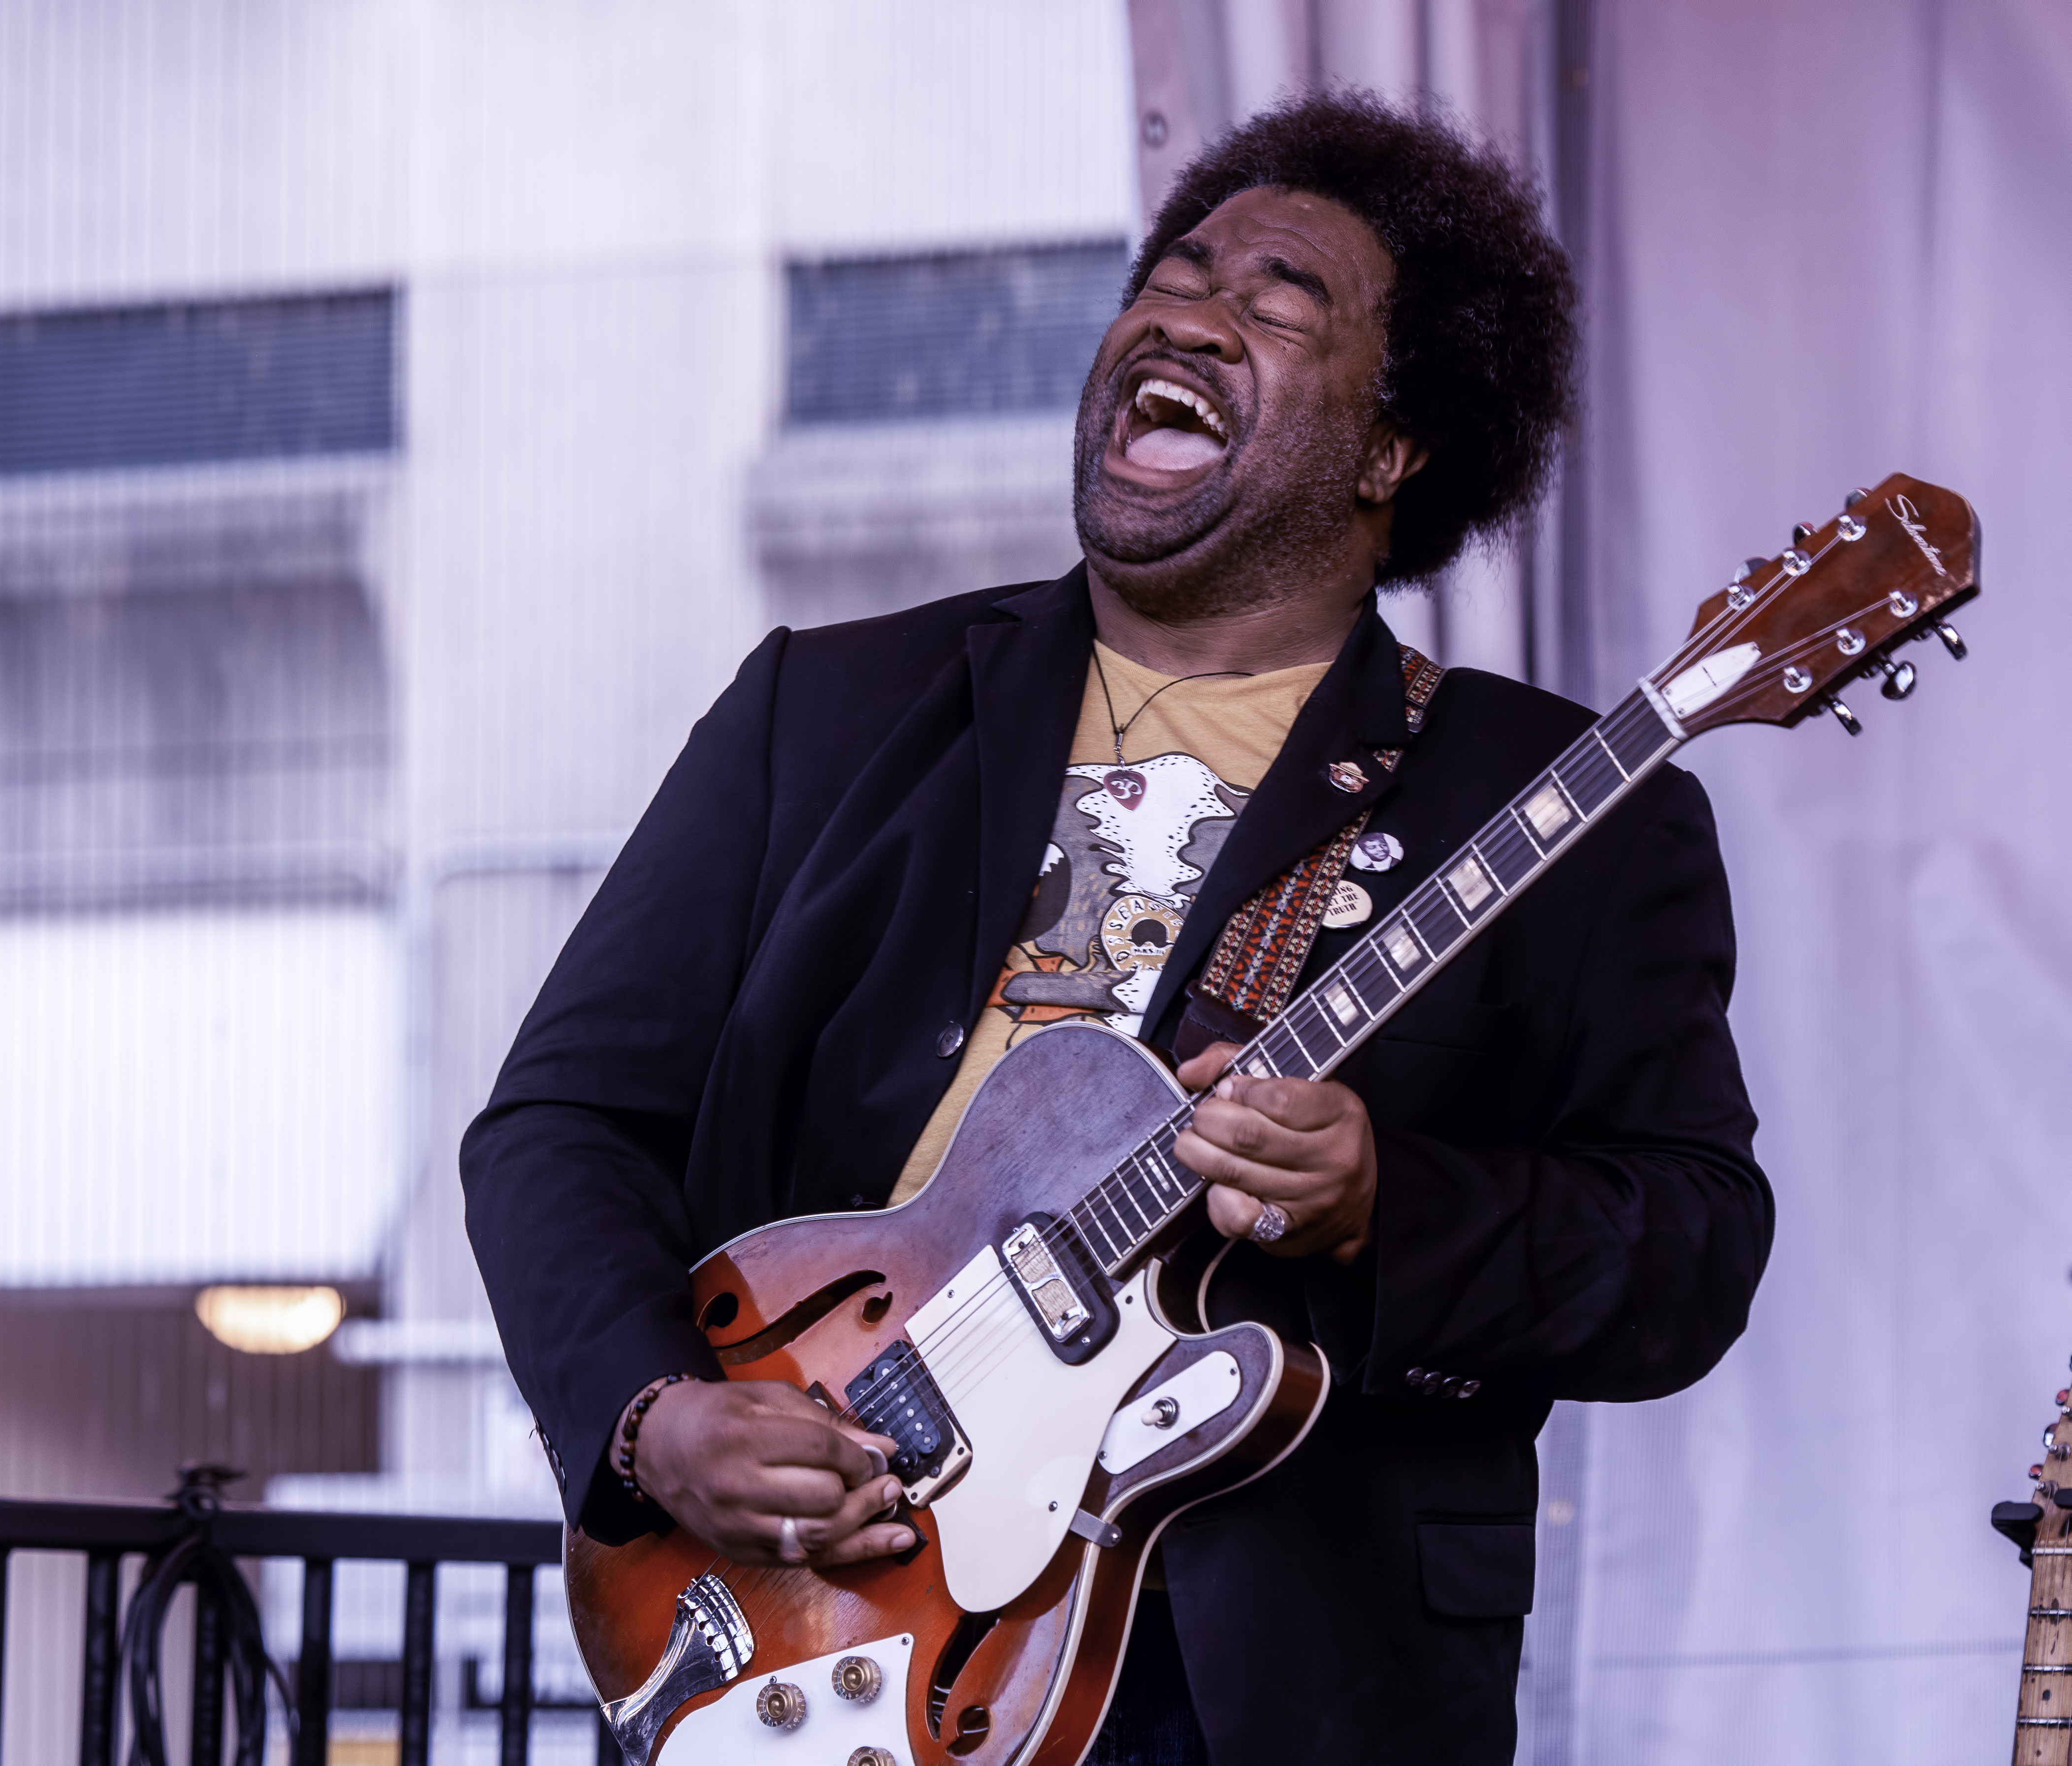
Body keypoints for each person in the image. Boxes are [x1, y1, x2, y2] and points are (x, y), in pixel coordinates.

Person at [462, 91, 1772, 1766]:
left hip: (1271, 1683)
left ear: (1392, 449)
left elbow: (1689, 1248)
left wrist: (1387, 1201)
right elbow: (561, 1123)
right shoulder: (833, 704)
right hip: (824, 1619)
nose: (1187, 310)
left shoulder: (1560, 800)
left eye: (1280, 298)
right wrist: (654, 1416)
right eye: (1174, 270)